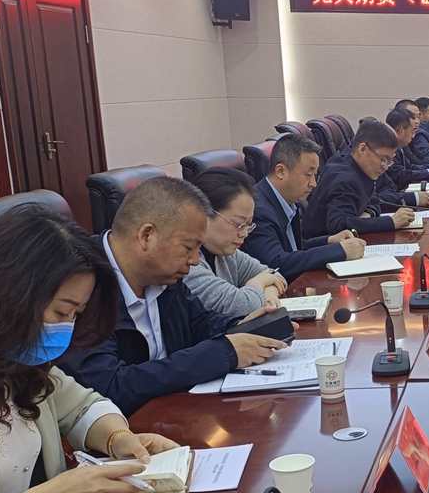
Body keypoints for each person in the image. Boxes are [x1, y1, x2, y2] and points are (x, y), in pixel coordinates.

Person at [0, 205, 179, 493]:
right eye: (60, 311)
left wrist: (119, 438)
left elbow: (82, 406)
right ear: (9, 297)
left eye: (75, 314)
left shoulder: (22, 365)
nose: (66, 327)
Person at [62, 177, 292, 416]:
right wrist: (223, 353)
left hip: (177, 413)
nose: (195, 261)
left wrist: (241, 326)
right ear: (147, 236)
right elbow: (109, 387)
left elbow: (200, 322)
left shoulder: (163, 276)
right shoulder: (82, 288)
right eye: (188, 248)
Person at [241, 134, 366, 282]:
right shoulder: (258, 210)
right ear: (281, 171)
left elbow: (293, 248)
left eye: (315, 175)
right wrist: (339, 251)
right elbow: (276, 263)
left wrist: (329, 241)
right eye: (308, 174)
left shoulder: (287, 200)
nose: (313, 183)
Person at [185, 167, 288, 315]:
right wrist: (258, 282)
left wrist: (269, 296)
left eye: (248, 225)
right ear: (203, 214)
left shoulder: (226, 253)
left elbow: (276, 276)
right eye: (238, 224)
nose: (244, 234)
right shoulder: (186, 263)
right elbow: (240, 305)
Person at [303, 120, 415, 237]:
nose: (385, 167)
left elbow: (374, 200)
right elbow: (337, 224)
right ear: (362, 149)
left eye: (389, 161)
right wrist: (390, 222)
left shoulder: (357, 166)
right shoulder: (345, 179)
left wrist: (369, 213)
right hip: (320, 244)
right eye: (383, 159)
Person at [377, 107, 429, 207]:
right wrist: (412, 198)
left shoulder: (401, 146)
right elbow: (400, 175)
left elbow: (412, 165)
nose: (413, 136)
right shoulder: (386, 149)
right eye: (412, 132)